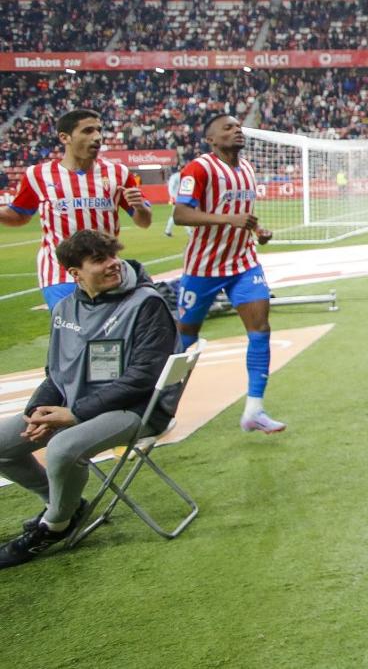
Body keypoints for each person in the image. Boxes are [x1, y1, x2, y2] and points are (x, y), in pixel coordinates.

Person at [0, 229, 178, 568]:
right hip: (78, 406)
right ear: (74, 273)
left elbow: (143, 377)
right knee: (3, 445)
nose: (113, 265)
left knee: (63, 447)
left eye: (113, 256)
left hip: (137, 409)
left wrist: (74, 414)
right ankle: (64, 505)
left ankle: (54, 526)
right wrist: (37, 411)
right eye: (99, 260)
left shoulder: (147, 303)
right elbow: (55, 372)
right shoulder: (66, 307)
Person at [172, 114, 283, 434]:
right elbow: (180, 214)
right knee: (185, 338)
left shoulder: (247, 168)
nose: (236, 131)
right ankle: (159, 407)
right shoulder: (199, 168)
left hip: (243, 264)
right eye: (228, 128)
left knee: (260, 327)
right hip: (203, 267)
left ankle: (254, 409)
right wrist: (228, 220)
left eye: (238, 127)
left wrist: (257, 230)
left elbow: (242, 216)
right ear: (211, 139)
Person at [0, 109, 152, 310]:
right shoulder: (38, 174)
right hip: (59, 271)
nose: (97, 137)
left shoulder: (118, 173)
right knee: (73, 330)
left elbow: (144, 221)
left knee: (108, 333)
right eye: (88, 131)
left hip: (105, 268)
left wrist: (140, 207)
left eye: (99, 130)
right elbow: (18, 215)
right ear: (65, 137)